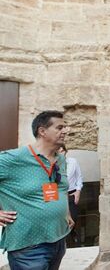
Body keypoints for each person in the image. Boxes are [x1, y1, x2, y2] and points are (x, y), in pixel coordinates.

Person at [0, 110, 74, 270]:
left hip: (58, 241)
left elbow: (60, 188)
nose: (65, 131)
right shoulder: (12, 159)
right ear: (42, 131)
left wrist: (65, 213)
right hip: (29, 248)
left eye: (65, 127)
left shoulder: (60, 159)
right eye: (60, 127)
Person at [60, 145, 83, 245]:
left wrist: (78, 191)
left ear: (66, 151)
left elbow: (79, 177)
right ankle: (64, 244)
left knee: (73, 219)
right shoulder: (53, 164)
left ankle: (72, 241)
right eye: (58, 151)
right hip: (60, 196)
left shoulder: (73, 162)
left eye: (62, 151)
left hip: (71, 194)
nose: (61, 153)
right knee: (61, 221)